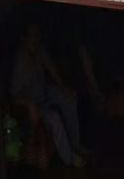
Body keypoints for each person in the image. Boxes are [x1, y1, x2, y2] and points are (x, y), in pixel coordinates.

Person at [11, 23, 85, 168]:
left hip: (44, 91)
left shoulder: (40, 50)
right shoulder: (20, 63)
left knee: (69, 99)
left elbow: (52, 69)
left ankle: (75, 144)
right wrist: (29, 105)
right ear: (24, 38)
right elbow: (13, 96)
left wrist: (63, 88)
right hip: (32, 102)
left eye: (37, 35)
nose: (35, 39)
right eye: (32, 36)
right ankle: (70, 158)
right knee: (54, 118)